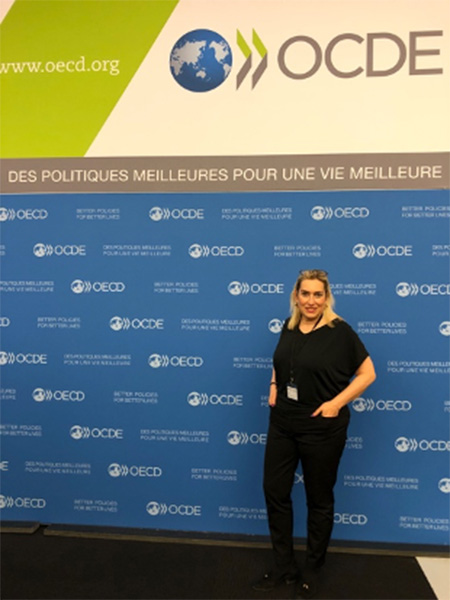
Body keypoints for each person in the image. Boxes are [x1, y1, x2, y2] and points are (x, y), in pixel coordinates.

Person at [253, 269, 376, 599]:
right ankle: (284, 566)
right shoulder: (289, 325)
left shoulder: (340, 331)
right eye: (305, 294)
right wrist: (274, 384)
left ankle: (311, 570)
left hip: (321, 427)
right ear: (296, 296)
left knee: (318, 500)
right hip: (283, 422)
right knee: (274, 491)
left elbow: (368, 373)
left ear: (326, 297)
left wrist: (336, 403)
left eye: (317, 294)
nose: (311, 301)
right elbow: (281, 361)